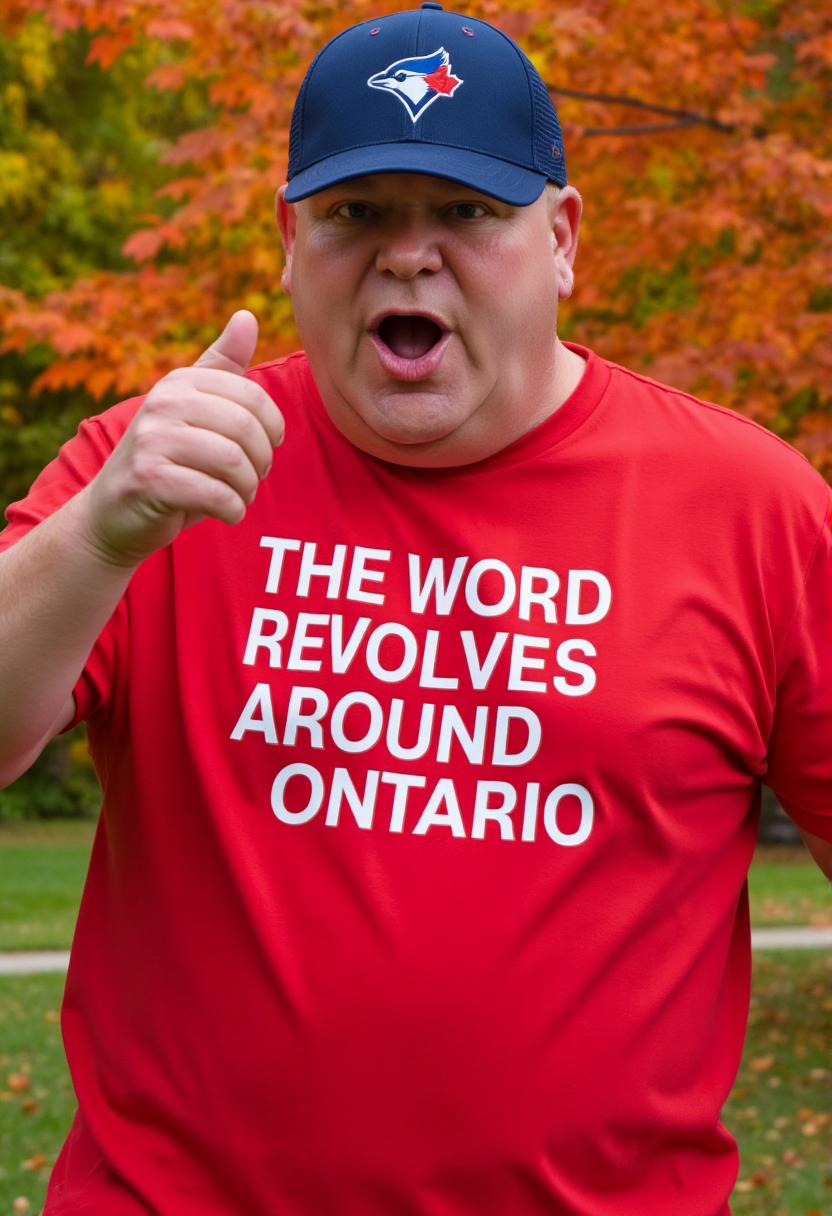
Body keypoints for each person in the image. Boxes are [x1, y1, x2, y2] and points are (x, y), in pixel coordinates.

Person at [0, 4, 830, 1213]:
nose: (407, 255)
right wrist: (99, 533)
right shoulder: (158, 467)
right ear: (290, 240)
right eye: (357, 214)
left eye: (466, 212)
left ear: (561, 238)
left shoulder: (748, 505)